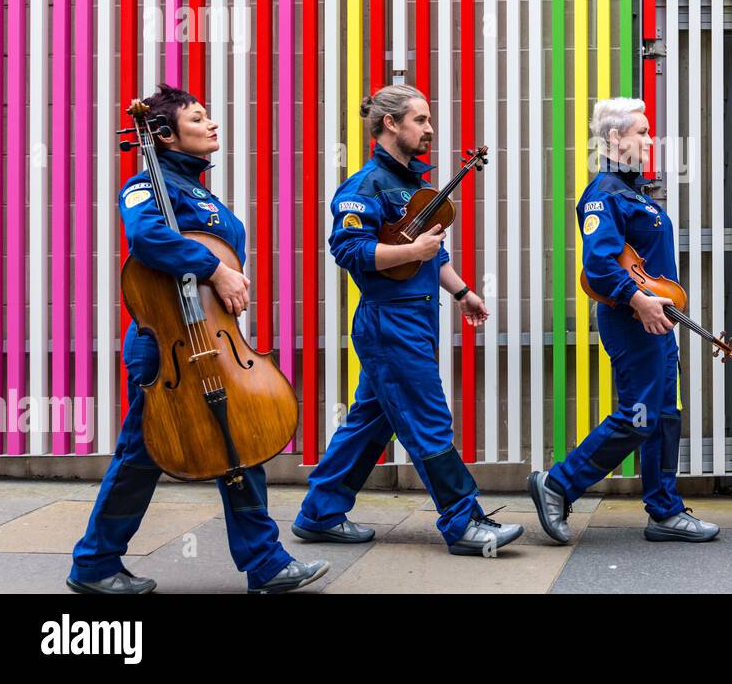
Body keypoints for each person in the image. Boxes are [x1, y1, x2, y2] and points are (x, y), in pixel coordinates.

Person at [69, 84, 329, 594]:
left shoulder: (198, 193)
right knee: (142, 457)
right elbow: (147, 239)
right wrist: (215, 268)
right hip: (167, 352)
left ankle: (266, 564)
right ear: (163, 135)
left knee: (241, 447)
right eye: (198, 118)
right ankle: (95, 564)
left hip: (212, 342)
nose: (212, 124)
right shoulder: (146, 187)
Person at [291, 85, 523, 556]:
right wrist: (412, 250)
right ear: (391, 123)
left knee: (370, 423)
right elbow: (348, 250)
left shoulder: (417, 187)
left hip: (416, 318)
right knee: (428, 420)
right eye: (420, 119)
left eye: (429, 119)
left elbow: (432, 254)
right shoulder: (363, 187)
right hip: (388, 323)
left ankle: (318, 514)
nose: (430, 129)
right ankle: (463, 522)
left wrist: (462, 291)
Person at [528, 97, 719, 544]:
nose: (650, 140)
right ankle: (558, 485)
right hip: (634, 320)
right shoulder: (604, 194)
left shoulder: (634, 191)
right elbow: (597, 266)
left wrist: (653, 303)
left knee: (664, 415)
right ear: (615, 139)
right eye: (642, 132)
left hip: (656, 317)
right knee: (639, 416)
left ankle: (665, 511)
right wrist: (638, 300)